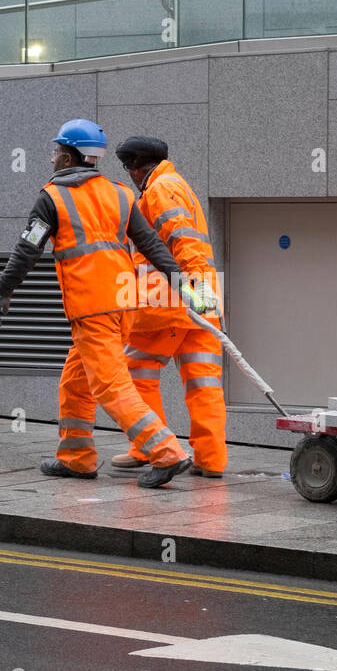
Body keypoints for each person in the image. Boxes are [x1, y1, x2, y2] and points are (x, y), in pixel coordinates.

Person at [0, 119, 215, 489]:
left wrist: (3, 290)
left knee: (111, 387)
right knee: (75, 383)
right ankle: (76, 458)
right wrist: (182, 284)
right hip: (123, 303)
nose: (51, 160)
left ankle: (166, 451)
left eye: (54, 153)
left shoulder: (52, 196)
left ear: (67, 155)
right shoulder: (121, 194)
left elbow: (27, 249)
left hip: (90, 305)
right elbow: (152, 245)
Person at [110, 137, 227, 477]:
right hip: (201, 304)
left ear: (136, 167)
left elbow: (181, 238)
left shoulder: (160, 189)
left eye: (128, 169)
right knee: (203, 382)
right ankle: (211, 459)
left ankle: (150, 448)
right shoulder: (180, 185)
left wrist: (191, 285)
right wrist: (203, 290)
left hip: (168, 302)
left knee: (135, 373)